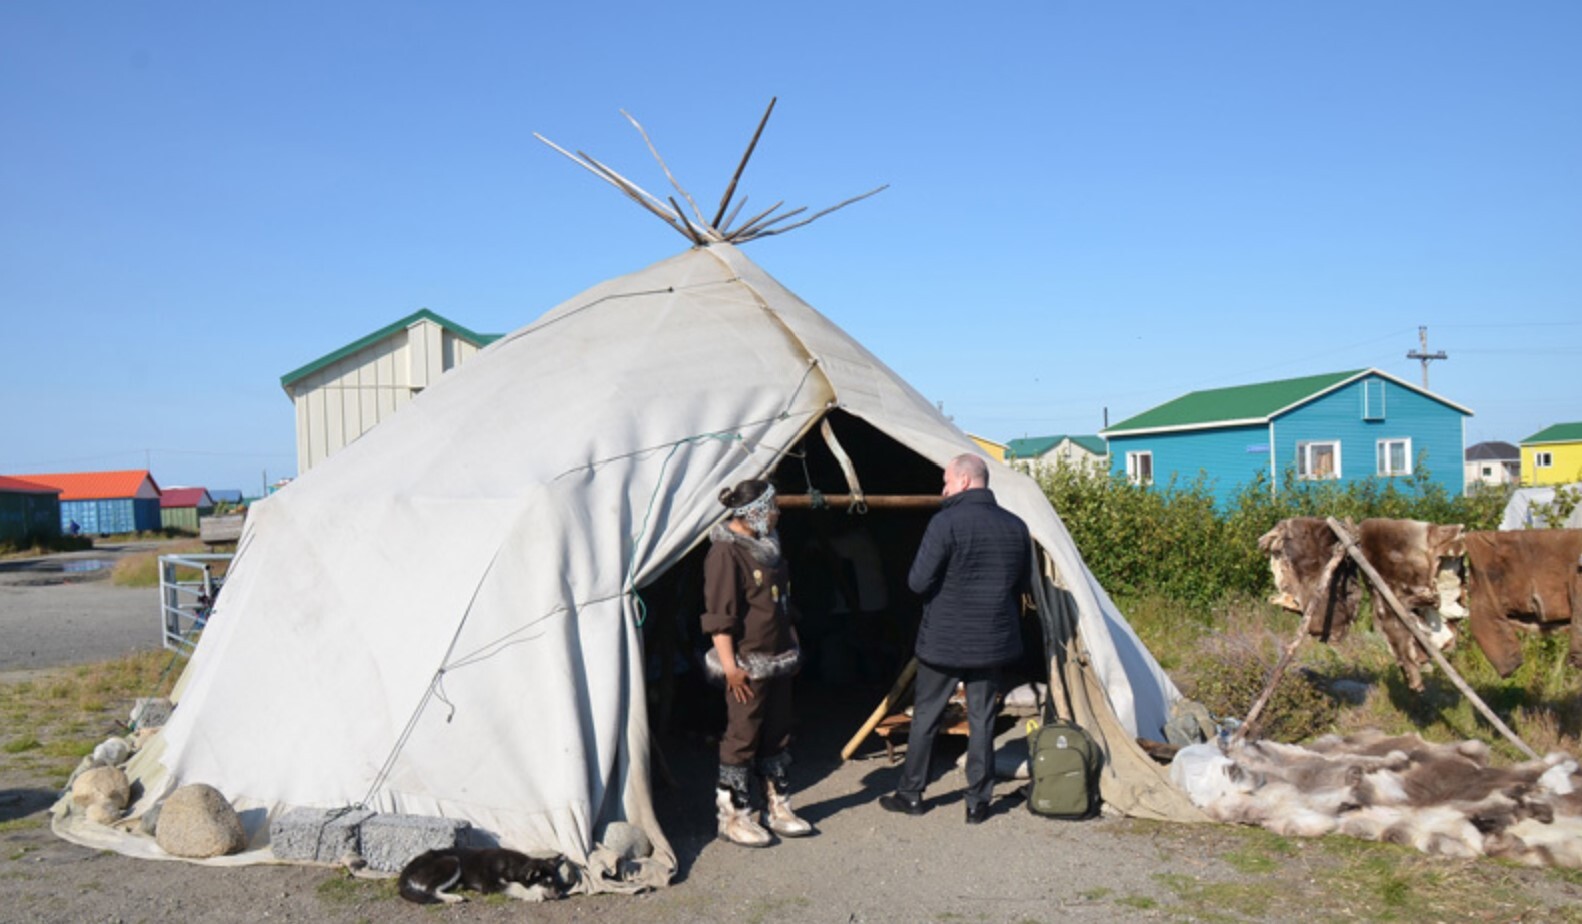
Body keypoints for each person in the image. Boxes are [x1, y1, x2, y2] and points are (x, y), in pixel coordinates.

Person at [879, 453, 1031, 824]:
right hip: (993, 640)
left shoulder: (945, 523)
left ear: (963, 481)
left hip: (944, 641)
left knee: (926, 716)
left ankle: (911, 793)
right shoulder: (1016, 526)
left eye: (946, 482)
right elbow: (1023, 585)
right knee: (982, 719)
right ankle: (978, 802)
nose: (943, 489)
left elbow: (917, 582)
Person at [700, 479, 813, 847]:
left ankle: (778, 807)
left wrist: (791, 646)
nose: (778, 512)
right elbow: (720, 614)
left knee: (778, 732)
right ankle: (733, 816)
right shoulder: (726, 552)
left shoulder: (770, 547)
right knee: (743, 736)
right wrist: (731, 666)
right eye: (773, 506)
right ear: (753, 511)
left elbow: (783, 606)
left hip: (778, 658)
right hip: (746, 663)